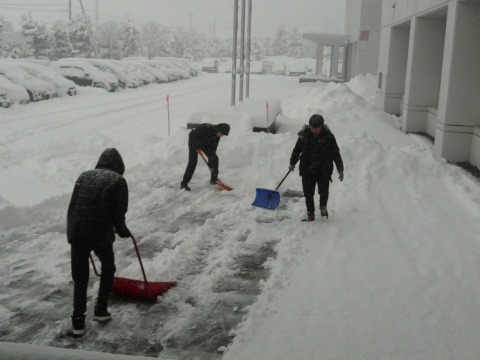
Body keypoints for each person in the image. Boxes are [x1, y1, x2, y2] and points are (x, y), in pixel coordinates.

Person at [67, 148, 131, 336]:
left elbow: (73, 205)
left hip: (77, 231)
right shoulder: (118, 180)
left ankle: (78, 321)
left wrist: (72, 232)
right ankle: (101, 310)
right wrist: (122, 230)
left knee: (80, 277)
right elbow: (118, 212)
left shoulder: (84, 176)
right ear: (119, 166)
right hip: (99, 232)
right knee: (108, 267)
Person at [289, 114, 344, 221]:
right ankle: (310, 213)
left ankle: (323, 207)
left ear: (321, 126)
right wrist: (292, 162)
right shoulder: (304, 135)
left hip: (323, 169)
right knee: (308, 193)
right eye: (312, 127)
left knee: (323, 192)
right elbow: (297, 150)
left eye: (316, 128)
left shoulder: (328, 137)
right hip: (307, 169)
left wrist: (340, 168)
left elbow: (335, 154)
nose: (314, 130)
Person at [180, 123, 230, 191]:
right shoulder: (205, 128)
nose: (222, 136)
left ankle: (214, 179)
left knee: (215, 158)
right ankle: (184, 183)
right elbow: (191, 135)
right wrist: (196, 147)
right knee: (193, 162)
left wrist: (211, 165)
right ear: (219, 130)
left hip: (205, 144)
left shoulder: (217, 136)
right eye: (222, 134)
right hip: (194, 141)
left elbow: (212, 151)